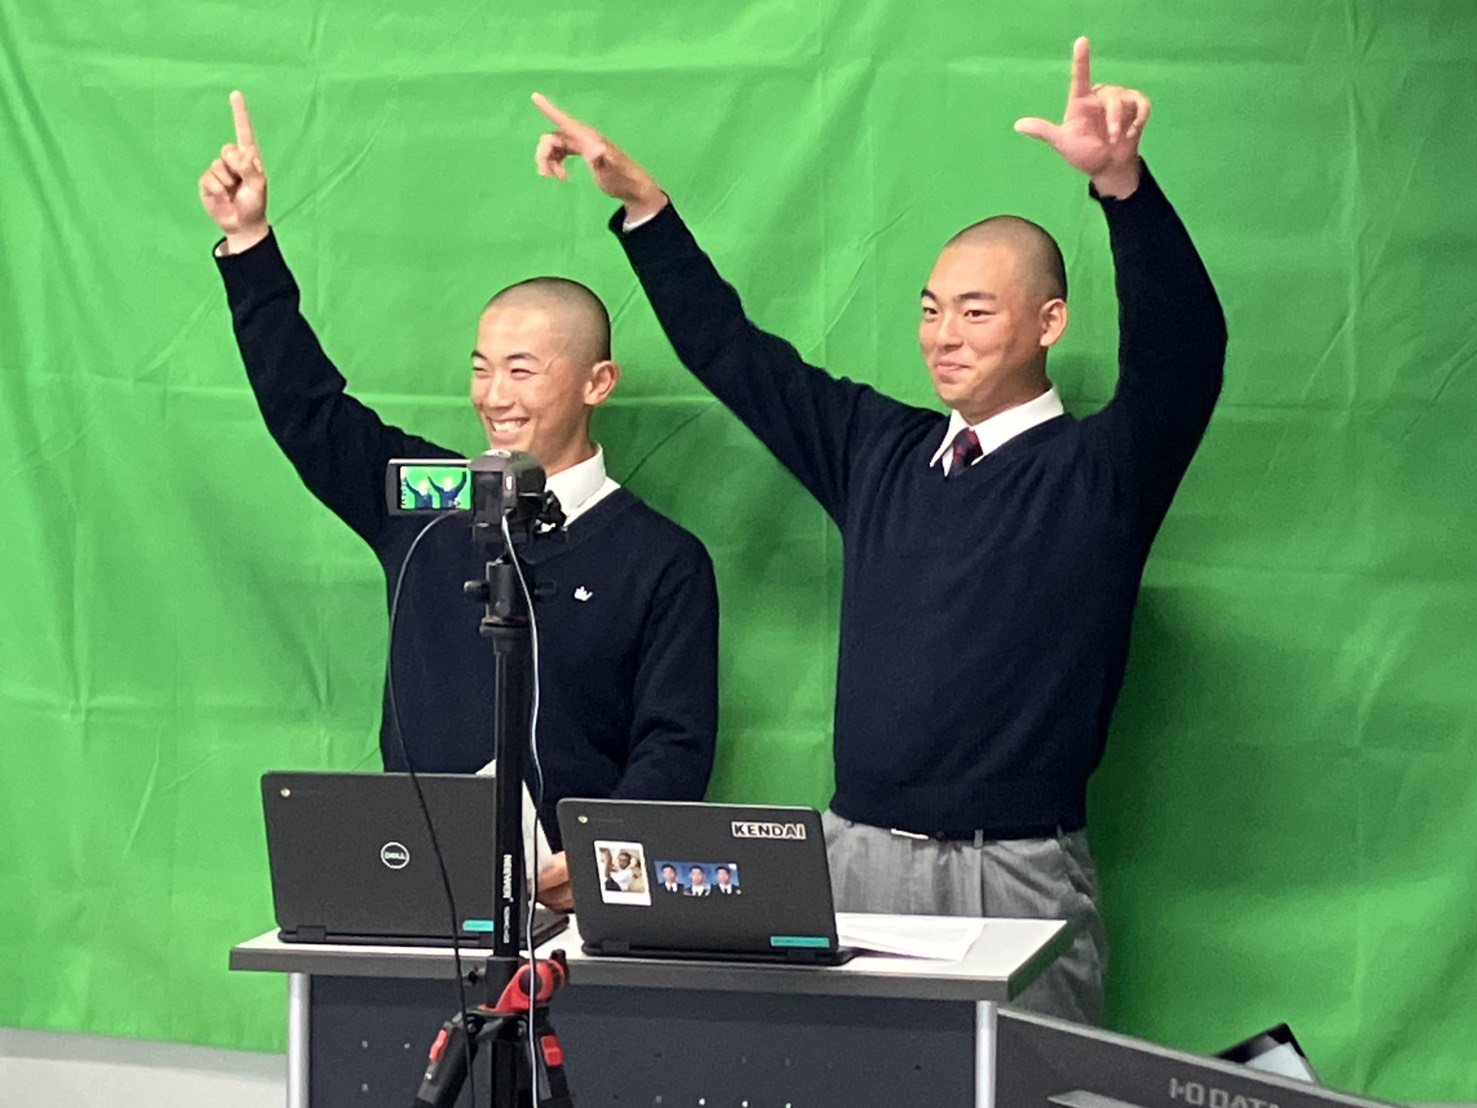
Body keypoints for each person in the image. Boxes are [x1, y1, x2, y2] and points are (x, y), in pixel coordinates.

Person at [528, 36, 1226, 1022]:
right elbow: (736, 355)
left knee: (1027, 1087)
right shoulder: (875, 450)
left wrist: (1122, 188)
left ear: (1048, 323)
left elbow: (1184, 352)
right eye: (931, 310)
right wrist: (647, 212)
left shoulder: (1101, 472)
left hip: (1012, 873)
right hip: (850, 860)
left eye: (975, 312)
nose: (944, 336)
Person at [199, 92, 721, 909]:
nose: (494, 395)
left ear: (597, 382)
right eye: (481, 368)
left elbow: (675, 747)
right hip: (416, 885)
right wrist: (248, 244)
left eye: (522, 370)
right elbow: (308, 412)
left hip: (573, 906)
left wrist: (600, 862)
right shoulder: (428, 500)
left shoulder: (662, 560)